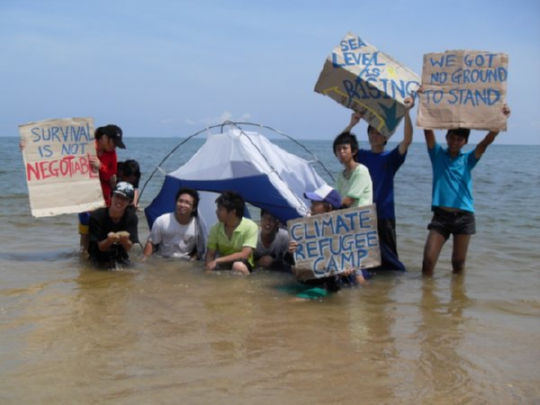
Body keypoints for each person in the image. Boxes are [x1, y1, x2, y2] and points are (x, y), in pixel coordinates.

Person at [422, 104, 511, 277]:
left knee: (458, 263)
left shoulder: (468, 159)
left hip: (464, 217)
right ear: (447, 137)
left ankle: (458, 300)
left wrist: (501, 119)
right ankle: (427, 301)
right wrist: (424, 101)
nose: (455, 142)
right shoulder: (437, 155)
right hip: (441, 216)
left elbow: (485, 143)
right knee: (428, 261)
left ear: (465, 142)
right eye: (452, 138)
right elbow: (427, 131)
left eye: (459, 140)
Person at [343, 96, 415, 272]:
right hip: (363, 214)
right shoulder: (362, 156)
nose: (375, 136)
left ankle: (389, 293)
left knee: (390, 262)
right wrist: (352, 124)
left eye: (379, 133)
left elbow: (407, 140)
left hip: (384, 214)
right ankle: (370, 291)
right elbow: (342, 148)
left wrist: (406, 112)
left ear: (385, 137)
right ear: (368, 136)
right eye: (372, 133)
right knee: (364, 260)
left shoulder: (390, 158)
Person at [286, 185, 367, 300]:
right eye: (312, 203)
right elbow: (290, 262)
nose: (311, 207)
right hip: (309, 281)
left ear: (328, 207)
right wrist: (291, 252)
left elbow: (355, 265)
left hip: (330, 285)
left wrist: (348, 269)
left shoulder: (343, 232)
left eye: (315, 203)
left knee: (292, 302)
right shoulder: (306, 228)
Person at [79, 124, 126, 251]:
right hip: (84, 197)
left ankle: (98, 258)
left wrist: (101, 166)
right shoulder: (85, 147)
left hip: (103, 199)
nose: (114, 146)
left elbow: (111, 176)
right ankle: (84, 257)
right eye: (113, 143)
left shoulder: (112, 154)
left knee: (101, 229)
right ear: (104, 138)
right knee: (85, 229)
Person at [205, 191, 258, 275]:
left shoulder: (251, 227)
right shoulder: (215, 228)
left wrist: (217, 260)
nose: (216, 212)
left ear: (233, 212)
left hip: (242, 263)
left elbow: (244, 254)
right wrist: (208, 268)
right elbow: (210, 254)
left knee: (238, 266)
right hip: (223, 263)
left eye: (220, 209)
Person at [88, 181, 139, 269]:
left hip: (121, 256)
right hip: (98, 256)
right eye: (117, 196)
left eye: (124, 198)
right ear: (111, 196)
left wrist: (125, 240)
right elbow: (101, 247)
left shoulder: (131, 218)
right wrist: (109, 240)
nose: (119, 201)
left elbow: (129, 247)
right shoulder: (97, 216)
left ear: (129, 202)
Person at [143, 188, 204, 260]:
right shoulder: (162, 220)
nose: (182, 205)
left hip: (184, 262)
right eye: (180, 201)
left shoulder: (198, 225)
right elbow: (151, 243)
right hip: (162, 258)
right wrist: (145, 262)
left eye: (187, 203)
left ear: (193, 208)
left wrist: (192, 262)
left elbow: (199, 251)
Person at [333, 132, 373, 208]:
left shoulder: (361, 171)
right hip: (347, 216)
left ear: (353, 151)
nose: (341, 152)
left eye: (345, 148)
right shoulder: (341, 174)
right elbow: (336, 197)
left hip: (361, 217)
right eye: (338, 149)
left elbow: (349, 200)